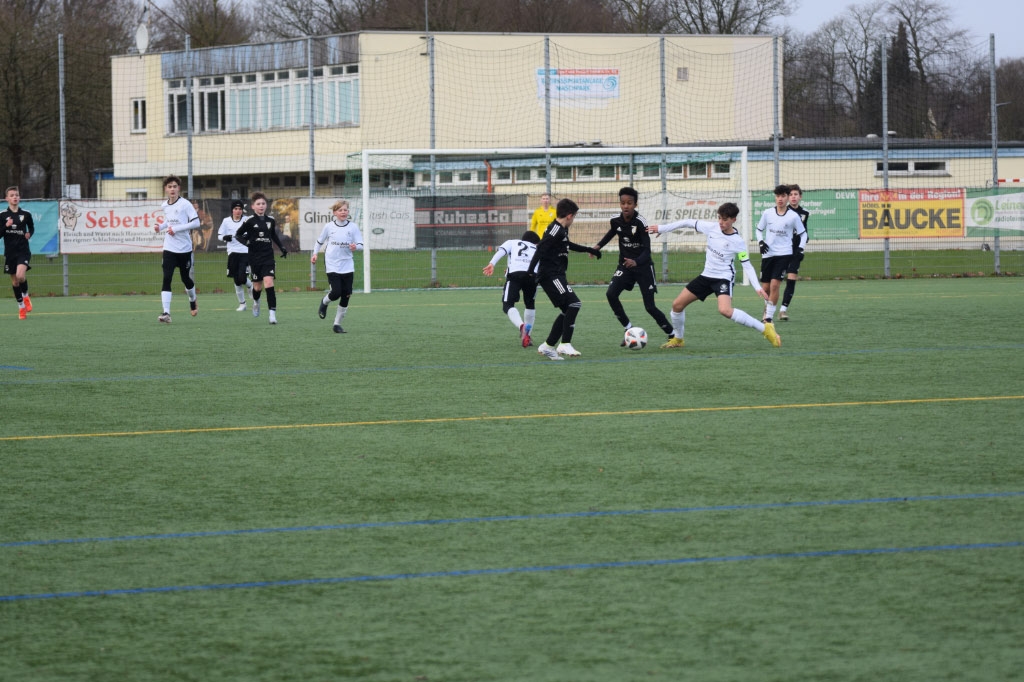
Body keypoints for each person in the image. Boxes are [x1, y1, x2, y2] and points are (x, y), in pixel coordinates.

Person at [647, 202, 780, 348]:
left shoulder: (738, 242)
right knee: (677, 305)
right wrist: (663, 228)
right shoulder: (711, 228)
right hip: (706, 276)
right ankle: (678, 339)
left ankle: (765, 329)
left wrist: (757, 287)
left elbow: (746, 264)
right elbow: (688, 222)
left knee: (725, 310)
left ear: (733, 220)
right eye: (719, 218)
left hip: (723, 278)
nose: (721, 222)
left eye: (725, 219)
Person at [594, 187, 677, 347]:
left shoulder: (640, 222)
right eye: (623, 203)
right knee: (611, 294)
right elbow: (612, 232)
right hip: (625, 266)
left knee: (650, 307)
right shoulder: (615, 220)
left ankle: (672, 334)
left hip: (643, 267)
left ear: (635, 204)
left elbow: (647, 250)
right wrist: (597, 246)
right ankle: (629, 329)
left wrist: (636, 262)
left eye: (629, 203)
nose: (626, 206)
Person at [527, 198, 602, 360]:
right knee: (574, 304)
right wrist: (530, 271)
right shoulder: (555, 229)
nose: (573, 220)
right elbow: (540, 249)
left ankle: (548, 346)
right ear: (569, 216)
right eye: (574, 216)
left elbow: (569, 245)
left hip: (556, 275)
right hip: (550, 275)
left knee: (567, 309)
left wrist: (590, 250)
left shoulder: (562, 230)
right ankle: (565, 343)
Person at [756, 184, 806, 325]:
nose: (780, 199)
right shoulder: (767, 213)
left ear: (787, 198)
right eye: (778, 196)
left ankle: (768, 317)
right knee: (766, 288)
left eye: (783, 196)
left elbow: (803, 234)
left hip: (784, 254)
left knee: (774, 285)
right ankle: (767, 310)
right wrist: (761, 242)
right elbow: (759, 230)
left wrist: (800, 249)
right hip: (768, 254)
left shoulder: (793, 216)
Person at [234, 192, 287, 325]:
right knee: (257, 287)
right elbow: (238, 235)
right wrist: (247, 242)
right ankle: (256, 302)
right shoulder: (249, 221)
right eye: (258, 204)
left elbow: (273, 235)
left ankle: (272, 315)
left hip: (268, 257)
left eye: (263, 203)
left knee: (269, 282)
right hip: (254, 258)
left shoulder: (271, 220)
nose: (261, 206)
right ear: (253, 206)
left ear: (266, 205)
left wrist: (282, 247)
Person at [153, 175, 200, 323]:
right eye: (169, 187)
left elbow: (196, 223)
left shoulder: (185, 204)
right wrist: (161, 227)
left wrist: (176, 229)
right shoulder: (165, 206)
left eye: (174, 186)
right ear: (165, 189)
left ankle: (192, 299)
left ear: (179, 188)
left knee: (186, 279)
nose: (172, 189)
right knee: (167, 278)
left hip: (184, 249)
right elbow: (169, 221)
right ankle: (166, 313)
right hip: (169, 248)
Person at [311, 199, 363, 334]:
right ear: (334, 212)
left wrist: (355, 247)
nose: (343, 212)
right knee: (336, 292)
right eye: (340, 210)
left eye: (345, 210)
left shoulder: (353, 227)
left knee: (347, 294)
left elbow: (360, 244)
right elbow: (319, 241)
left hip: (347, 264)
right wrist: (315, 254)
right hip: (332, 263)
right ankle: (324, 302)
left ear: (348, 212)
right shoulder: (329, 227)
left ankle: (337, 324)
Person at [482, 230, 540, 347]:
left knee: (507, 305)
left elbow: (501, 251)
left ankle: (522, 327)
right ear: (535, 242)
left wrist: (492, 263)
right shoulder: (536, 248)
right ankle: (528, 337)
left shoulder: (512, 242)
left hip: (515, 275)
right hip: (532, 276)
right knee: (530, 304)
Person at [1, 186, 34, 320]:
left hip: (23, 251)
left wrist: (29, 233)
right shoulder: (2, 215)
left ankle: (25, 296)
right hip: (10, 253)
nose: (15, 197)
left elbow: (31, 227)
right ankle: (21, 307)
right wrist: (6, 226)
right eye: (12, 195)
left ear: (19, 197)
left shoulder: (26, 214)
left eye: (17, 195)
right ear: (7, 198)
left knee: (20, 276)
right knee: (15, 282)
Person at [780, 184, 810, 321]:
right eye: (791, 194)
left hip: (795, 252)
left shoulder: (805, 213)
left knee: (791, 279)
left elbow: (804, 231)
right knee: (775, 281)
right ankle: (768, 309)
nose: (793, 197)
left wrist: (802, 247)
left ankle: (783, 310)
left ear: (800, 197)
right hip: (781, 251)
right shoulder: (782, 212)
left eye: (796, 194)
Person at [217, 199, 253, 311]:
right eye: (236, 209)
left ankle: (250, 286)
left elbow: (253, 234)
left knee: (242, 277)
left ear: (242, 210)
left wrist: (247, 237)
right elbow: (219, 235)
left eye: (240, 209)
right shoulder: (226, 221)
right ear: (232, 210)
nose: (238, 211)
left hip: (245, 252)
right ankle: (242, 304)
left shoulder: (247, 220)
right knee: (236, 280)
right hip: (232, 252)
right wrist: (224, 237)